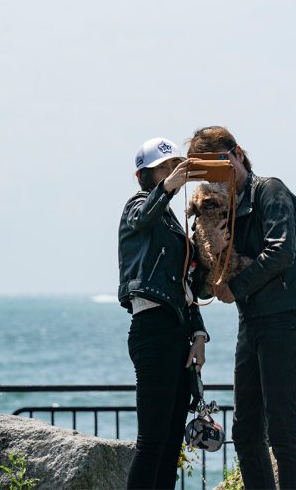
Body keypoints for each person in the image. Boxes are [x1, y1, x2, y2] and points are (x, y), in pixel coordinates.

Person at [188, 126, 296, 490]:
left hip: (288, 319)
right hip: (253, 323)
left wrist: (234, 288)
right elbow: (209, 274)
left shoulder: (270, 190)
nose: (215, 176)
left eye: (218, 164)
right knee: (245, 432)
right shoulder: (221, 207)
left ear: (238, 153)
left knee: (282, 430)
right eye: (206, 171)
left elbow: (281, 252)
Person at [118, 137, 210, 489]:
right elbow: (141, 219)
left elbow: (186, 285)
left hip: (178, 330)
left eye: (175, 165)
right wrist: (169, 189)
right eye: (165, 166)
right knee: (152, 441)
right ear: (145, 175)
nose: (173, 171)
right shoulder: (138, 206)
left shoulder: (170, 222)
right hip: (152, 328)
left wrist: (199, 335)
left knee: (171, 443)